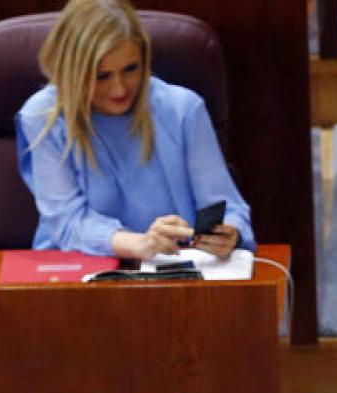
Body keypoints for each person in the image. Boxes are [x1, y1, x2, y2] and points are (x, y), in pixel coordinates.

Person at [17, 0, 252, 260]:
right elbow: (68, 223)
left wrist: (231, 232)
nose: (119, 89)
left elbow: (227, 208)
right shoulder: (42, 116)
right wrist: (139, 244)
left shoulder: (183, 109)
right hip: (77, 267)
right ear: (71, 72)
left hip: (174, 268)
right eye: (101, 76)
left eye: (130, 69)